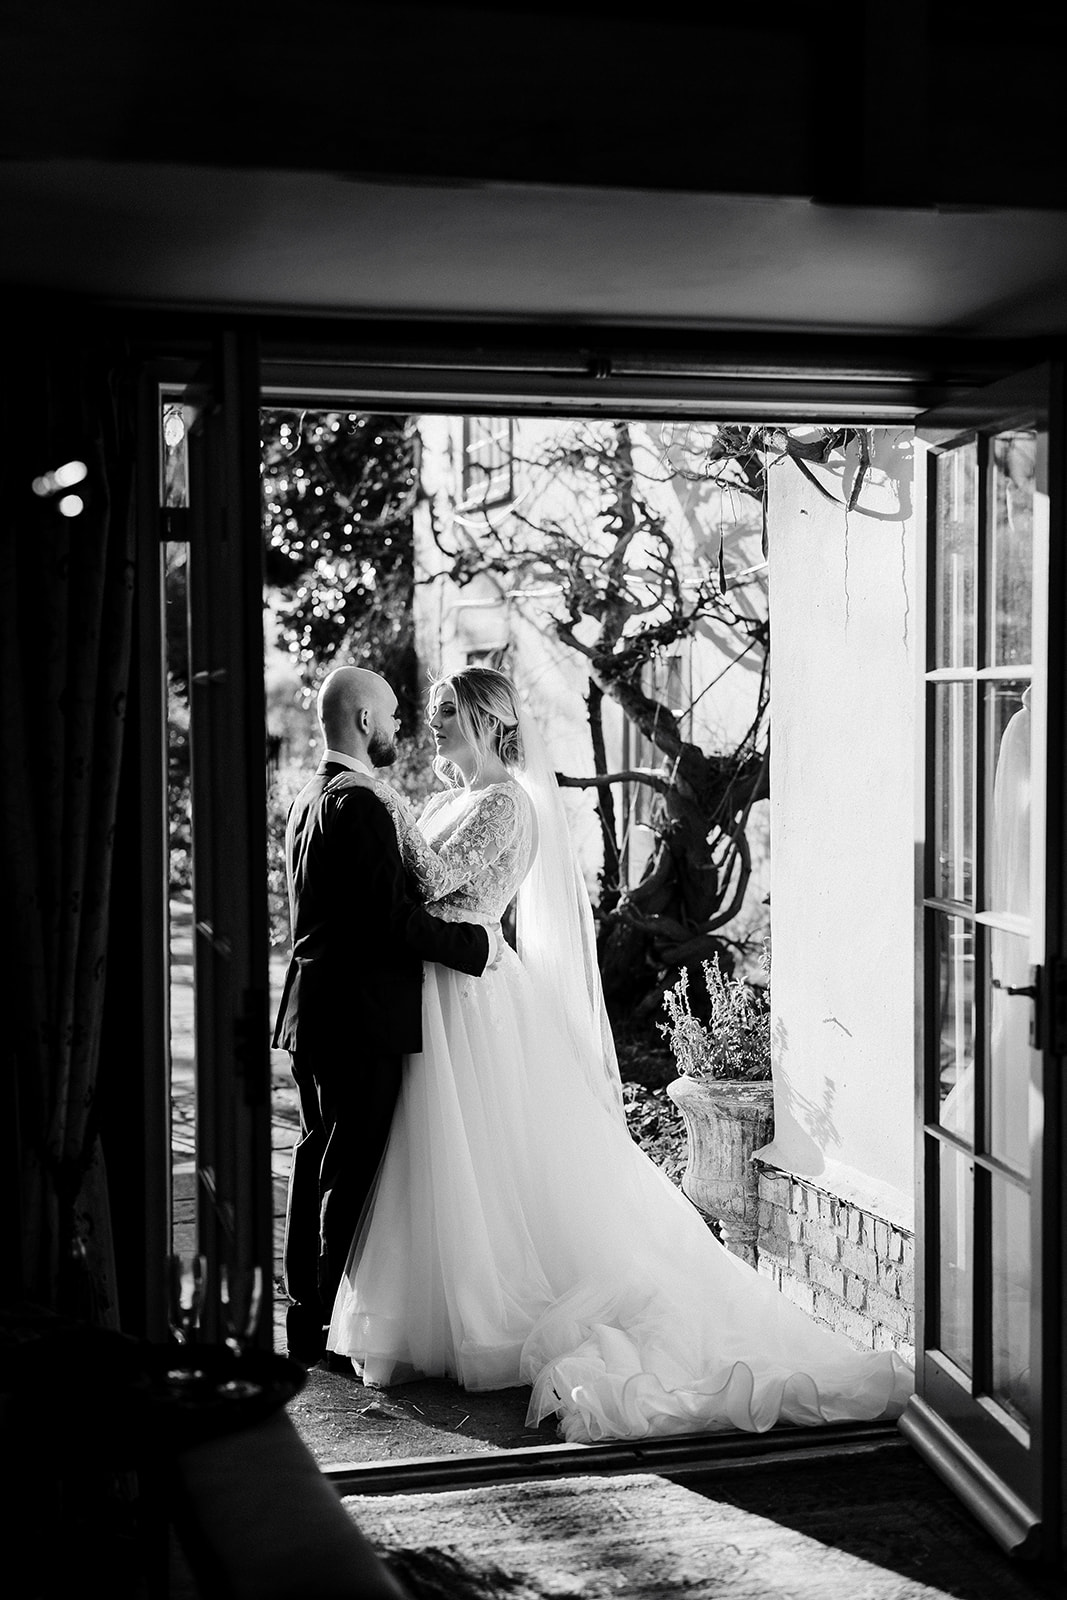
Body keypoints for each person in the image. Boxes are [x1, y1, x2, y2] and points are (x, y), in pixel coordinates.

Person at [327, 666, 913, 1440]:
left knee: (488, 1155)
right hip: (432, 993)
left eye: (446, 712)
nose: (433, 725)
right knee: (445, 1159)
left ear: (484, 718)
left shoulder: (507, 804)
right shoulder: (443, 801)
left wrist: (379, 800)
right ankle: (436, 1314)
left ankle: (493, 1312)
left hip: (476, 1001)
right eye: (432, 712)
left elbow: (433, 877)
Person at [272, 666, 496, 1368]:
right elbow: (390, 923)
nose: (403, 727)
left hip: (313, 1013)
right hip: (357, 1020)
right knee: (346, 1176)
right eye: (396, 715)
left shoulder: (311, 797)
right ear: (364, 721)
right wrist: (476, 944)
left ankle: (307, 1318)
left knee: (315, 1162)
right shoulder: (361, 805)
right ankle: (320, 1331)